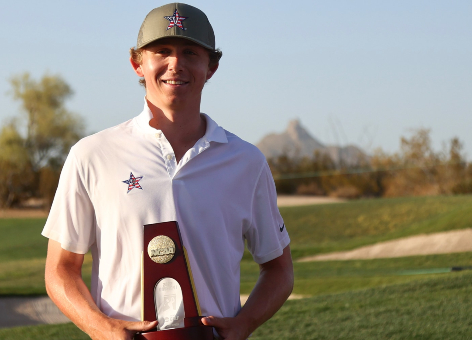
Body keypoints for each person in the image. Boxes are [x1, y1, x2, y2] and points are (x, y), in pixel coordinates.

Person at [42, 3, 293, 340]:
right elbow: (61, 269)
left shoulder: (246, 162)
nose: (176, 64)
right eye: (162, 51)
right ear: (137, 63)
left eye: (190, 52)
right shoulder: (92, 155)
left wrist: (244, 323)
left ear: (211, 67)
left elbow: (279, 269)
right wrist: (101, 328)